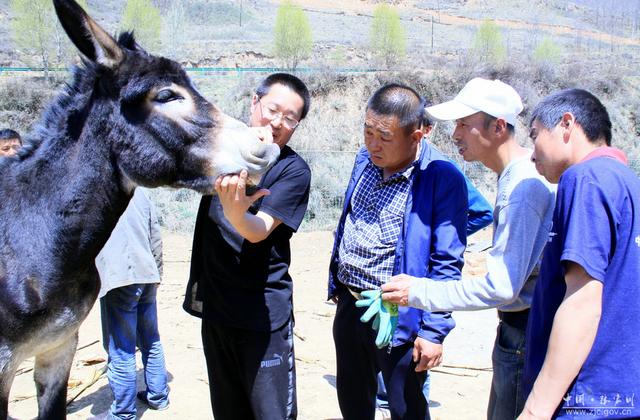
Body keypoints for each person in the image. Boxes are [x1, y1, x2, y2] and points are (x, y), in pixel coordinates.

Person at [381, 78, 556, 419]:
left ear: (499, 126)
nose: (455, 134)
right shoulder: (518, 177)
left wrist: (420, 291)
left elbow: (503, 287)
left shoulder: (521, 189)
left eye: (464, 124)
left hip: (525, 332)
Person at [328, 83, 468, 420]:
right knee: (352, 399)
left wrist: (433, 332)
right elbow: (351, 220)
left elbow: (446, 261)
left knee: (406, 408)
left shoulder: (441, 177)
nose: (373, 144)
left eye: (385, 137)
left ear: (417, 134)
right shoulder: (364, 159)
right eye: (368, 131)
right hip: (351, 303)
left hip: (399, 314)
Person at [183, 73, 311, 420]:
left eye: (290, 118)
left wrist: (235, 210)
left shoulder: (292, 170)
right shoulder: (224, 150)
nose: (277, 122)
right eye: (272, 109)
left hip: (262, 317)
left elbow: (258, 231)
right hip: (217, 310)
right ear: (255, 104)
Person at [518, 89, 640, 419]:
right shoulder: (627, 182)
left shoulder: (585, 178)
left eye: (535, 135)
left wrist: (535, 410)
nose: (532, 154)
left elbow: (583, 299)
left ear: (566, 124)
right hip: (621, 394)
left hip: (584, 398)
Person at [96, 188, 169, 420]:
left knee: (121, 348)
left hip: (119, 278)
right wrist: (158, 272)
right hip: (147, 273)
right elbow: (154, 233)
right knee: (151, 339)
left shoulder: (99, 191)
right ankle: (158, 397)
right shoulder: (141, 192)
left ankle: (123, 413)